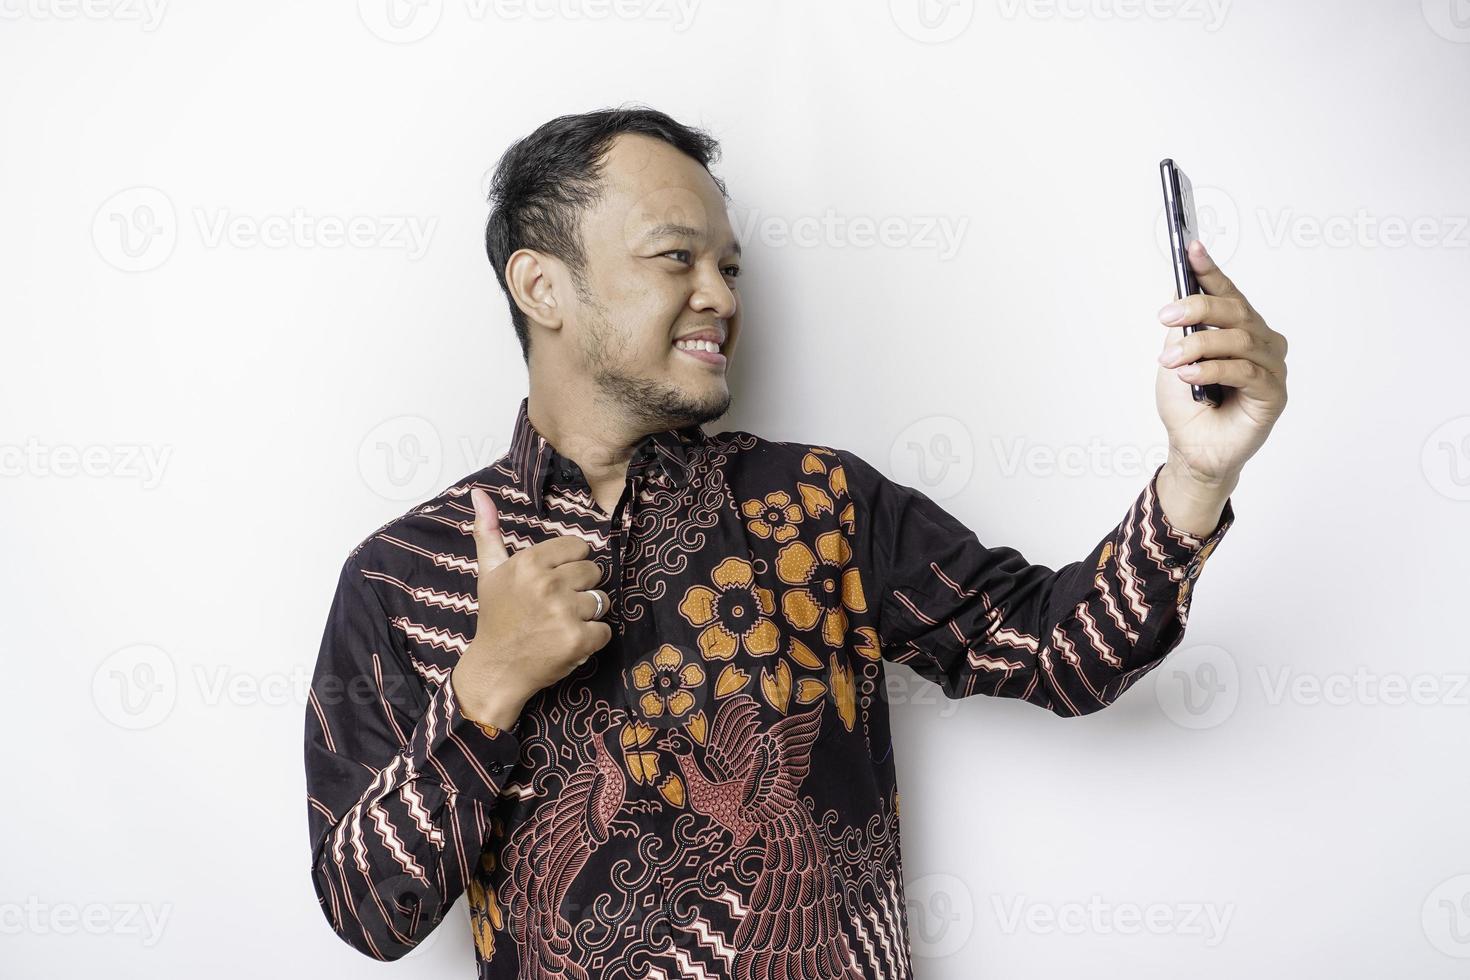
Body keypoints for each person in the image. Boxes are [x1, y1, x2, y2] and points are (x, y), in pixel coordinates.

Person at [303, 105, 1287, 978]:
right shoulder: (405, 576)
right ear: (543, 285)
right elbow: (367, 911)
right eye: (674, 257)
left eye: (728, 266)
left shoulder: (817, 501)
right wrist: (485, 688)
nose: (722, 295)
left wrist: (1198, 473)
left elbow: (1068, 653)